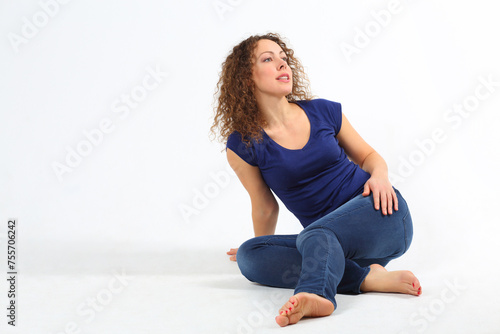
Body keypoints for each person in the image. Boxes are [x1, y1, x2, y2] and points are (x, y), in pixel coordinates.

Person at [211, 33, 421, 327]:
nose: (282, 65)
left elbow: (368, 155)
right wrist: (265, 246)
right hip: (331, 245)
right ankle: (368, 278)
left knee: (316, 235)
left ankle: (316, 294)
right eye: (268, 59)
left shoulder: (323, 111)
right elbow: (264, 207)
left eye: (284, 59)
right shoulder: (243, 144)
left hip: (380, 211)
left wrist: (381, 177)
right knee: (250, 254)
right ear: (247, 78)